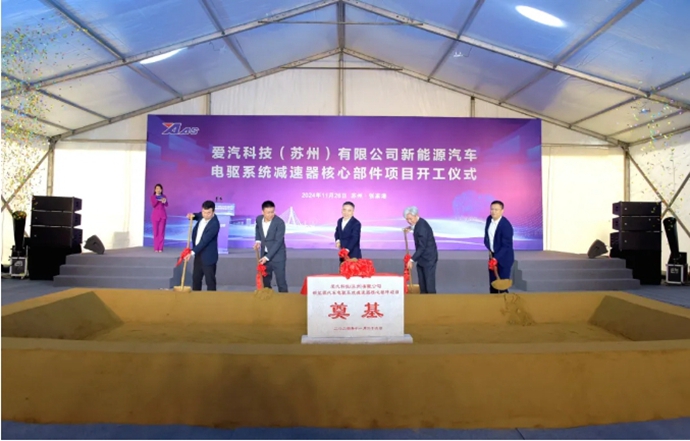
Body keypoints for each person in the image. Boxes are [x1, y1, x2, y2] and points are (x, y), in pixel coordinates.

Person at [184, 200, 220, 291]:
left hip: (208, 257)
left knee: (210, 282)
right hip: (198, 255)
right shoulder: (202, 215)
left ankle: (211, 299)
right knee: (196, 279)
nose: (205, 215)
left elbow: (204, 242)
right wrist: (192, 215)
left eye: (208, 213)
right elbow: (198, 215)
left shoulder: (214, 224)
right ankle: (196, 298)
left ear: (213, 212)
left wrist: (191, 252)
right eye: (204, 212)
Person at [253, 200, 288, 292]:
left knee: (281, 282)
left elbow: (278, 242)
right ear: (262, 212)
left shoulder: (280, 223)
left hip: (278, 256)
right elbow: (257, 228)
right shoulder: (259, 219)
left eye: (272, 212)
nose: (271, 214)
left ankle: (284, 299)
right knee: (266, 282)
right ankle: (268, 298)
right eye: (268, 212)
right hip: (264, 254)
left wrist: (267, 257)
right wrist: (258, 241)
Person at [403, 206, 438, 294]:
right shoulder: (419, 223)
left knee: (429, 286)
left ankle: (432, 302)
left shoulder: (422, 228)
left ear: (416, 215)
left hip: (428, 259)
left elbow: (422, 247)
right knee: (422, 286)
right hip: (422, 259)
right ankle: (423, 301)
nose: (409, 221)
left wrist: (411, 260)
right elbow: (416, 227)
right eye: (407, 219)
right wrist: (410, 227)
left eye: (410, 219)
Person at [484, 200, 514, 294]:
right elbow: (487, 236)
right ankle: (493, 302)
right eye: (492, 209)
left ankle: (506, 302)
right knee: (493, 284)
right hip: (493, 256)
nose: (493, 211)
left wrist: (496, 258)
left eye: (496, 210)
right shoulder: (489, 219)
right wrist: (490, 251)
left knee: (502, 286)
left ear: (502, 211)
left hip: (504, 258)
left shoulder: (506, 226)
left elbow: (506, 246)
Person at [150, 184, 168, 253]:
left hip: (163, 216)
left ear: (161, 190)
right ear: (155, 190)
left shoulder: (164, 196)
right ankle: (156, 248)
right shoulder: (153, 197)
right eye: (157, 188)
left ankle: (160, 248)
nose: (158, 190)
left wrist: (164, 201)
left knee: (161, 232)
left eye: (159, 188)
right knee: (156, 232)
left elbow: (166, 204)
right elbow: (153, 205)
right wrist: (158, 199)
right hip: (155, 216)